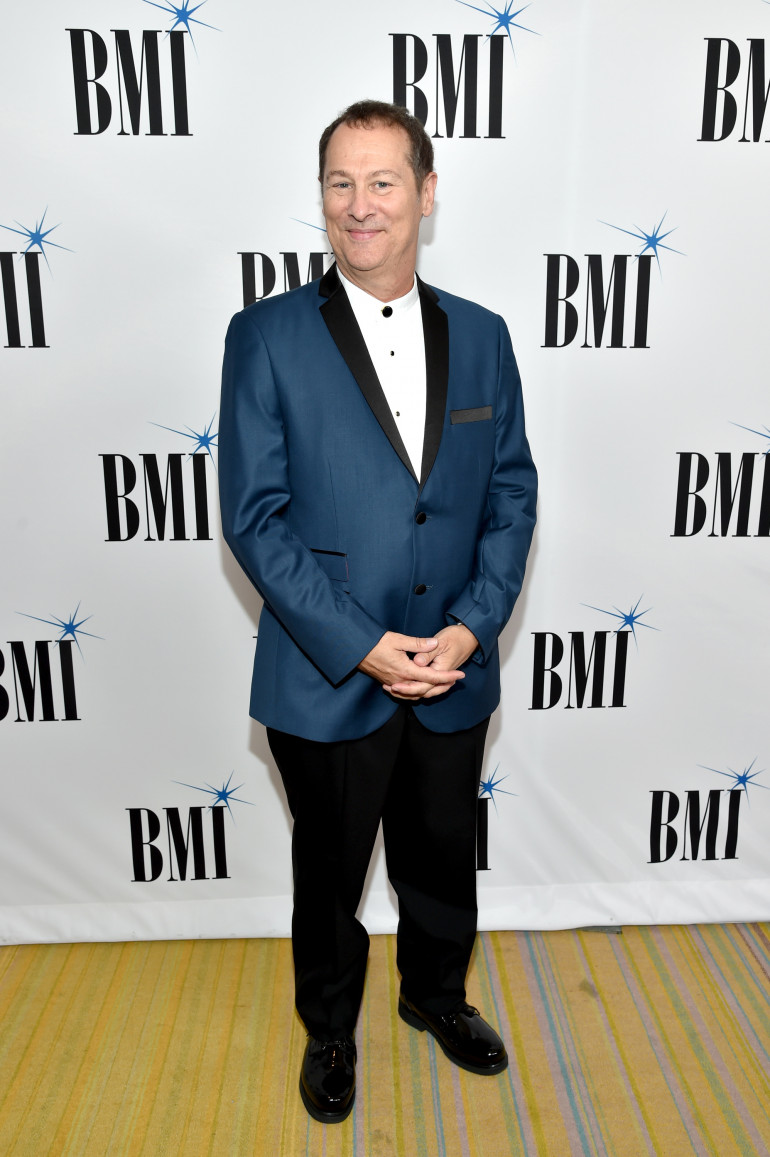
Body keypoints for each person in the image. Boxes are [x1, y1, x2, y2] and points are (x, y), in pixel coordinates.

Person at [219, 99, 537, 1124]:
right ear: (321, 196)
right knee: (329, 871)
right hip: (327, 674)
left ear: (426, 193)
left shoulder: (483, 336)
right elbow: (254, 517)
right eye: (340, 183)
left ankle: (436, 995)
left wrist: (470, 627)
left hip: (451, 664)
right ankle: (329, 1027)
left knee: (441, 855)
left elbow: (511, 494)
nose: (360, 205)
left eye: (383, 181)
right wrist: (362, 645)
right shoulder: (264, 336)